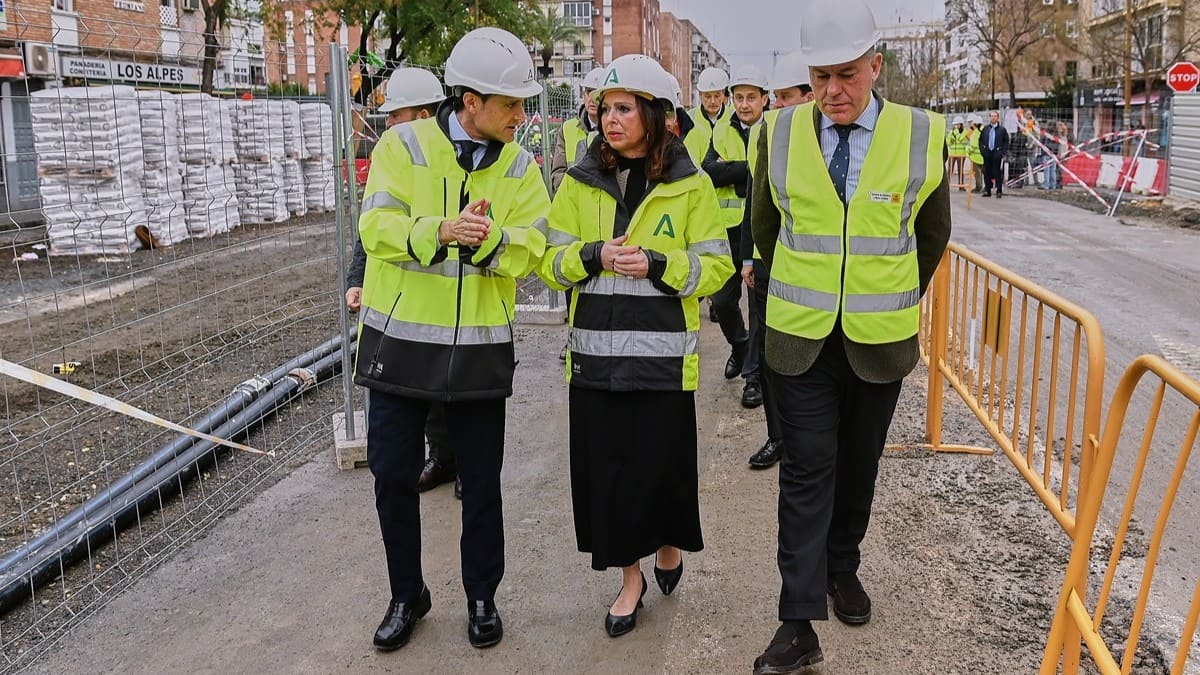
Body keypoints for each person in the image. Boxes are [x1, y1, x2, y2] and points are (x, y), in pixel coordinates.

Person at [749, 0, 951, 671]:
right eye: (820, 77)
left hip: (878, 341)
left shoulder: (922, 134)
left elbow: (931, 236)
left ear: (876, 66)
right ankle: (797, 621)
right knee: (807, 469)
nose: (833, 90)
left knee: (858, 465)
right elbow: (765, 227)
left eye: (847, 75)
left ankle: (842, 566)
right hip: (799, 340)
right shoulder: (777, 133)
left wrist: (885, 295)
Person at [355, 27, 549, 652]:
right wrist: (439, 231)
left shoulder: (520, 166)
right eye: (510, 104)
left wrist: (490, 242)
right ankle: (406, 594)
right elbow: (375, 227)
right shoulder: (402, 144)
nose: (520, 116)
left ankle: (482, 596)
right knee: (392, 476)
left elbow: (535, 246)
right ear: (470, 101)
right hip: (399, 345)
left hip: (479, 353)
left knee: (482, 483)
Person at [538, 54, 733, 638]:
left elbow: (716, 267)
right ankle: (630, 580)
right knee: (609, 477)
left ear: (655, 114)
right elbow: (549, 263)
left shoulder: (691, 184)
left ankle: (669, 544)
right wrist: (593, 254)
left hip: (662, 362)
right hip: (595, 364)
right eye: (605, 109)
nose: (610, 120)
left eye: (624, 109)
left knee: (662, 469)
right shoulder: (578, 181)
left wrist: (659, 264)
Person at [345, 67, 460, 498]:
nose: (389, 123)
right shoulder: (390, 157)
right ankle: (442, 459)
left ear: (426, 115)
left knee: (452, 392)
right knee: (416, 398)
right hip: (400, 304)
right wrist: (358, 279)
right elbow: (372, 226)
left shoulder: (455, 161)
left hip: (449, 301)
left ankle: (459, 462)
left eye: (397, 115)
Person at [741, 52, 813, 470]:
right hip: (770, 266)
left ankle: (807, 437)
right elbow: (756, 203)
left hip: (816, 273)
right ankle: (777, 436)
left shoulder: (829, 144)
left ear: (809, 97)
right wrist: (750, 258)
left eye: (787, 97)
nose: (778, 105)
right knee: (771, 355)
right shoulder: (768, 136)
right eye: (777, 97)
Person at [703, 64, 768, 387]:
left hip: (760, 228)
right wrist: (750, 171)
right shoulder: (721, 130)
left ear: (764, 99)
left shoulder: (775, 129)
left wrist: (733, 171)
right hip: (728, 230)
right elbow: (710, 172)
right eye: (739, 97)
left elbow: (769, 174)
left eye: (751, 97)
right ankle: (739, 345)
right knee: (723, 300)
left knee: (758, 308)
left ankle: (753, 378)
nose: (744, 104)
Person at [550, 66, 605, 195]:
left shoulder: (614, 131)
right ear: (583, 95)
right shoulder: (567, 129)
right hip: (571, 202)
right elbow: (558, 173)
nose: (592, 98)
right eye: (589, 92)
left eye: (597, 93)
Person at [981, 110, 1009, 198]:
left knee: (997, 172)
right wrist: (983, 151)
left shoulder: (1002, 130)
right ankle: (988, 190)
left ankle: (999, 190)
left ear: (998, 118)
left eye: (995, 116)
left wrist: (1002, 152)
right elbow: (980, 140)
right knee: (987, 172)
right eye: (992, 116)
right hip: (987, 153)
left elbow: (1006, 141)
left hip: (997, 153)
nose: (993, 118)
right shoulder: (985, 129)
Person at [947, 116, 969, 190]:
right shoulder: (952, 132)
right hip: (952, 154)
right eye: (955, 124)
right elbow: (948, 142)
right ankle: (947, 185)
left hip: (961, 154)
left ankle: (961, 186)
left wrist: (956, 132)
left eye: (957, 124)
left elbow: (960, 138)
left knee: (960, 170)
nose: (956, 126)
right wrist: (951, 138)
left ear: (961, 124)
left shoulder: (965, 131)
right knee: (950, 170)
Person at [966, 115, 985, 193]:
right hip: (984, 155)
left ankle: (978, 187)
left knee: (977, 173)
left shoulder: (976, 132)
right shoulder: (985, 130)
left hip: (976, 156)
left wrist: (968, 151)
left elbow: (973, 144)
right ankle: (986, 187)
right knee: (985, 173)